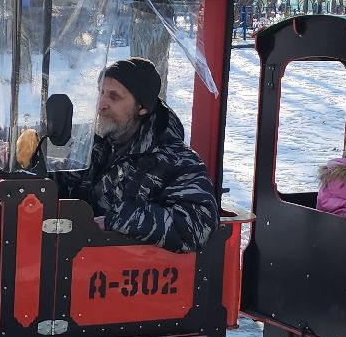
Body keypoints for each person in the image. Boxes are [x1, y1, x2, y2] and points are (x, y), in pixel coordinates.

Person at [14, 57, 218, 253]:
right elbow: (71, 186)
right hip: (75, 265)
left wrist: (117, 221)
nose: (101, 104)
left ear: (142, 108)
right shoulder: (99, 145)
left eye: (114, 96)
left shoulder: (176, 161)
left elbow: (200, 225)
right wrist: (29, 174)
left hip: (127, 277)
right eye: (101, 92)